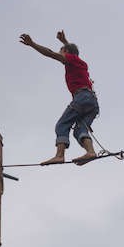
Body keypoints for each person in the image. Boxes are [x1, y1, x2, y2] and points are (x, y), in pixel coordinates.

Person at [19, 30, 99, 165]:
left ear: (66, 52)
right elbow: (73, 52)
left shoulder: (71, 59)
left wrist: (32, 44)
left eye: (61, 51)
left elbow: (50, 53)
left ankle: (59, 155)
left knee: (62, 125)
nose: (60, 54)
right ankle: (91, 152)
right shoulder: (81, 63)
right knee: (80, 130)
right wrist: (64, 42)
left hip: (82, 97)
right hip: (92, 102)